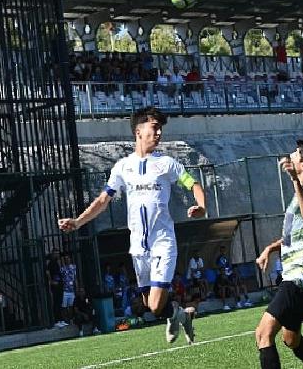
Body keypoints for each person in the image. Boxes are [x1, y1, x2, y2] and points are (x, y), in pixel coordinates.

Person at [58, 107, 206, 345]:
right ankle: (181, 314)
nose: (158, 133)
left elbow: (193, 184)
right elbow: (103, 200)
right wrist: (78, 221)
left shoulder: (167, 163)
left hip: (162, 242)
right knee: (149, 305)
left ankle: (175, 312)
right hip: (138, 246)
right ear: (138, 131)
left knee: (156, 304)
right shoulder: (122, 166)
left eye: (160, 128)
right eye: (154, 127)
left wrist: (201, 205)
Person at [255, 139, 303, 369]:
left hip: (299, 277)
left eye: (297, 153)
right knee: (291, 339)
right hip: (298, 278)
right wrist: (270, 248)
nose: (291, 155)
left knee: (263, 334)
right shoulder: (302, 194)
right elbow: (294, 236)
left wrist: (295, 182)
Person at [45, 248, 65, 328]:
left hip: (59, 284)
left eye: (58, 253)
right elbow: (48, 273)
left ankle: (60, 320)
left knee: (59, 302)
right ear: (53, 254)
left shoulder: (57, 263)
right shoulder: (51, 263)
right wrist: (51, 281)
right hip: (55, 285)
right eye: (56, 253)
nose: (57, 255)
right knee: (56, 303)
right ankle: (57, 321)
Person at [60, 254, 77, 325]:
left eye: (68, 258)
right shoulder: (62, 268)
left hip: (71, 290)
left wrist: (77, 287)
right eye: (65, 259)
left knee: (71, 306)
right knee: (64, 306)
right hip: (65, 290)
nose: (67, 260)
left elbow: (75, 278)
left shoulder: (73, 267)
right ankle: (65, 320)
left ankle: (71, 319)